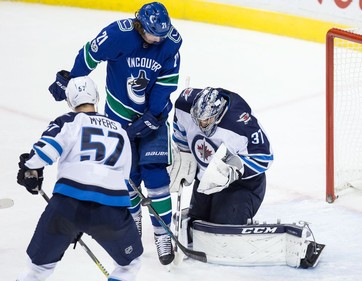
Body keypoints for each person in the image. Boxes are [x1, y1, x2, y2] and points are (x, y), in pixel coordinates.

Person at [47, 2, 182, 265]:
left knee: (156, 177)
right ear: (140, 25)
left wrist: (153, 116)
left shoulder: (171, 43)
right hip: (117, 123)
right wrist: (72, 79)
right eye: (153, 34)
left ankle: (162, 233)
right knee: (127, 178)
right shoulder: (118, 34)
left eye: (161, 35)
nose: (158, 40)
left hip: (153, 120)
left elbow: (166, 83)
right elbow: (89, 55)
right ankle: (134, 222)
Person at [16, 77, 143, 281]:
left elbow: (43, 154)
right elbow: (124, 176)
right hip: (111, 209)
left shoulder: (68, 121)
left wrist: (29, 170)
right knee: (130, 264)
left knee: (38, 270)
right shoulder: (120, 130)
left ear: (69, 102)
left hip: (67, 205)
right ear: (96, 97)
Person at [172, 87, 273, 226]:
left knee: (222, 228)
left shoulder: (241, 123)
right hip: (206, 180)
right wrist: (184, 153)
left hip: (241, 185)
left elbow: (265, 158)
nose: (202, 125)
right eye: (198, 120)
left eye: (207, 120)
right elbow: (180, 128)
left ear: (218, 114)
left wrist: (233, 171)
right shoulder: (184, 104)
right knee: (195, 224)